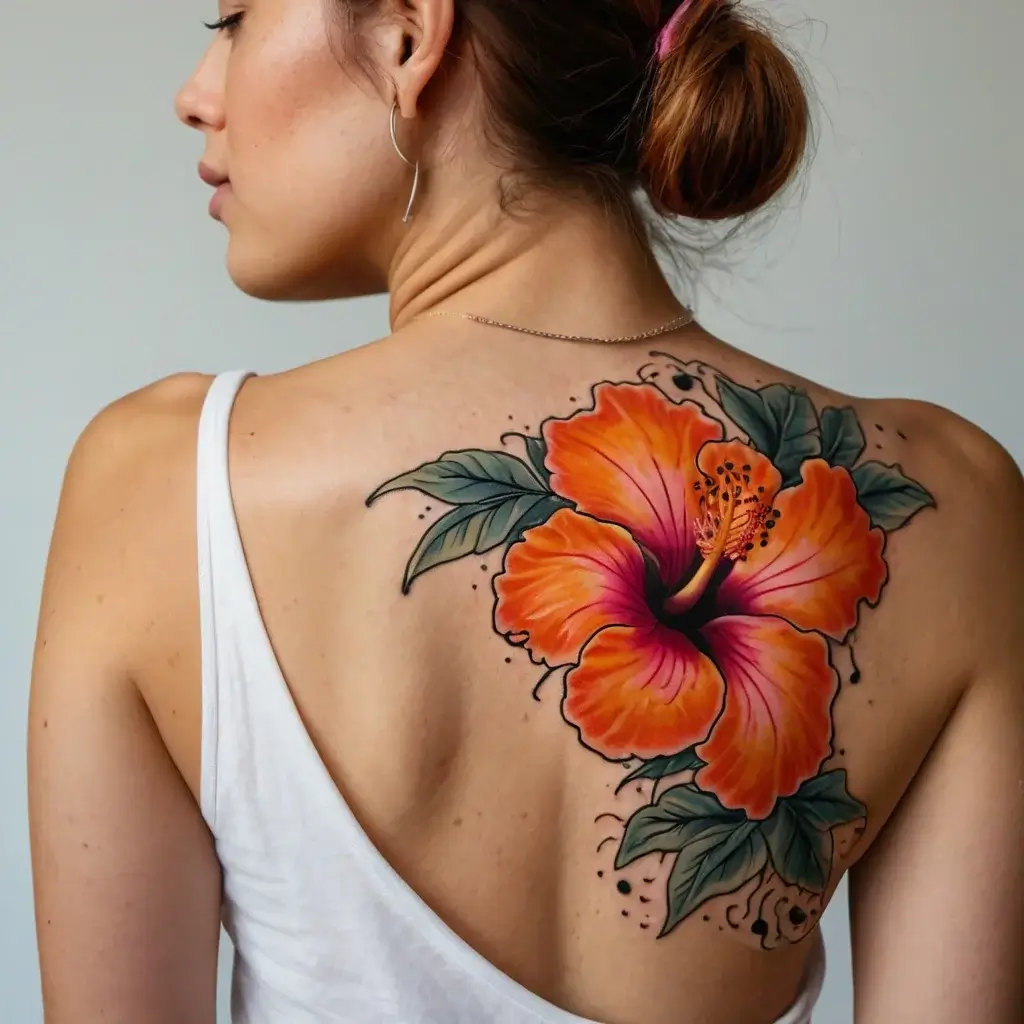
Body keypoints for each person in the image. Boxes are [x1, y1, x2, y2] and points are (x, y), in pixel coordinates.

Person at [27, 1, 1024, 1021]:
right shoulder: (952, 509)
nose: (196, 94)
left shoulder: (159, 486)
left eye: (234, 18)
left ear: (410, 35)